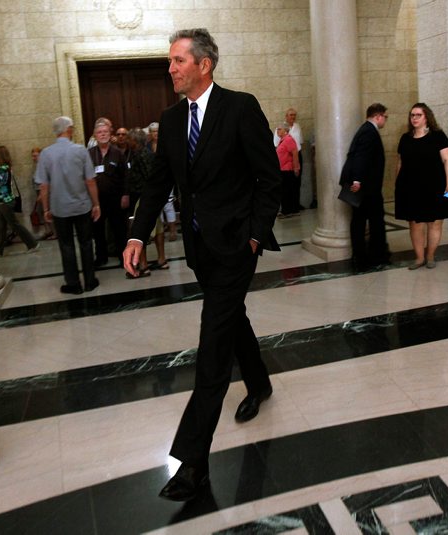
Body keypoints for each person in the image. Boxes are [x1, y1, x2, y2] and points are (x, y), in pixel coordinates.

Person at [123, 28, 281, 501]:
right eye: (170, 62)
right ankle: (259, 382)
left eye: (177, 61)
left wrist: (254, 235)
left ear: (204, 65)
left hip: (236, 246)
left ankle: (193, 462)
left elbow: (267, 178)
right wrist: (137, 233)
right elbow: (158, 185)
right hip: (199, 249)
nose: (170, 69)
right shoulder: (171, 121)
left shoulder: (240, 107)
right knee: (231, 320)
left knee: (212, 341)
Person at [35, 116, 101, 294]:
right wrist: (96, 204)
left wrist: (47, 208)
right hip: (82, 205)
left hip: (59, 208)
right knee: (86, 243)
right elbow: (90, 181)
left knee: (66, 245)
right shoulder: (80, 151)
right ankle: (89, 280)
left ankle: (73, 284)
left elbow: (43, 185)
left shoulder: (46, 154)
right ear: (68, 129)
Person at [395, 103, 448, 269]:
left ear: (427, 117)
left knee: (435, 222)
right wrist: (398, 185)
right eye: (412, 115)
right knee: (415, 224)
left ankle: (430, 256)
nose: (414, 118)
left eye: (418, 115)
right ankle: (419, 258)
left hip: (437, 188)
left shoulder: (438, 136)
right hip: (410, 188)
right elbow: (400, 162)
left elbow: (447, 161)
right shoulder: (405, 138)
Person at [339, 103, 390, 270]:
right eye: (385, 117)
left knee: (361, 221)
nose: (385, 120)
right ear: (378, 116)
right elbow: (361, 157)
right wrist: (357, 181)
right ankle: (374, 256)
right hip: (367, 188)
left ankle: (363, 256)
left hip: (366, 186)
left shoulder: (366, 129)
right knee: (372, 221)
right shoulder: (369, 131)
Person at [88, 119, 129, 267]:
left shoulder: (117, 153)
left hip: (116, 198)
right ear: (95, 135)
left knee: (119, 229)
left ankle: (123, 256)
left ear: (110, 133)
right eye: (100, 132)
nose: (103, 134)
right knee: (97, 230)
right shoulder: (89, 154)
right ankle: (101, 257)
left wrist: (125, 194)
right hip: (97, 200)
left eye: (105, 132)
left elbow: (125, 175)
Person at [0, 146, 39, 257]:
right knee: (2, 226)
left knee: (15, 225)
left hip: (4, 202)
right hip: (6, 200)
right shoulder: (7, 167)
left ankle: (32, 244)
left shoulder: (0, 170)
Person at [274, 107, 304, 210]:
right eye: (291, 115)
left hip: (293, 158)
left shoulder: (297, 127)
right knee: (286, 186)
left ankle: (294, 206)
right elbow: (277, 144)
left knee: (294, 183)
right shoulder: (281, 129)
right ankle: (288, 207)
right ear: (286, 116)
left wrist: (296, 166)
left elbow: (298, 144)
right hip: (284, 159)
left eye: (294, 115)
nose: (293, 117)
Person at [275, 122, 300, 218]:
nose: (277, 131)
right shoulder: (283, 140)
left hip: (287, 170)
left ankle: (288, 211)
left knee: (287, 191)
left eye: (279, 129)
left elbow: (295, 154)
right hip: (283, 169)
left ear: (285, 131)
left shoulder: (289, 140)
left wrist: (296, 168)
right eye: (277, 129)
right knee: (285, 190)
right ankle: (288, 210)